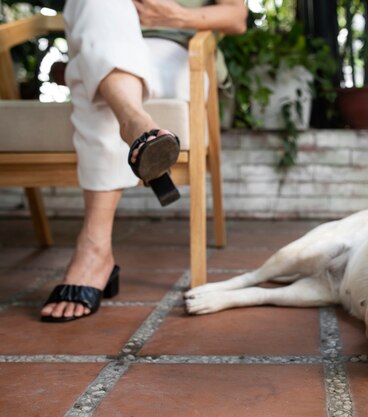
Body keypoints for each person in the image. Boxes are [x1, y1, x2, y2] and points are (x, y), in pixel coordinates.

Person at [40, 0, 247, 322]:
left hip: (174, 52)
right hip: (103, 43)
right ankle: (137, 125)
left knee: (95, 81)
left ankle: (95, 253)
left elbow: (237, 18)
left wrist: (176, 16)